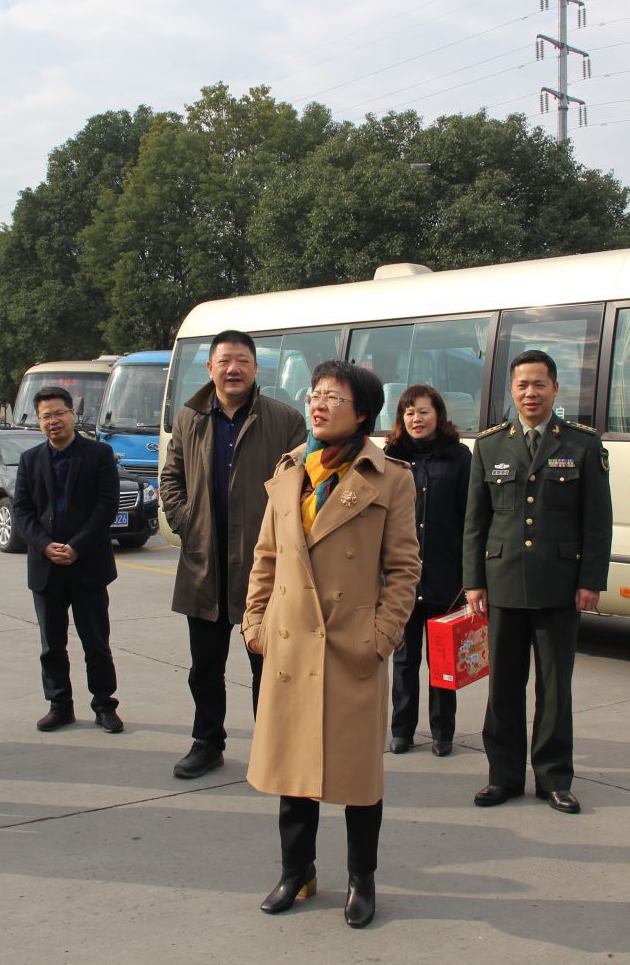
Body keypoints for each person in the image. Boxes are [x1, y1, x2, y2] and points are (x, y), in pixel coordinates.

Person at [243, 359, 420, 929]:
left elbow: (404, 569)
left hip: (352, 646)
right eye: (315, 394)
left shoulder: (391, 477)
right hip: (291, 644)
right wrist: (255, 622)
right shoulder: (291, 469)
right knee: (292, 772)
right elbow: (267, 555)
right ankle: (297, 872)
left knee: (358, 778)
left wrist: (382, 636)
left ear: (362, 412)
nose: (318, 404)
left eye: (333, 397)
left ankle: (362, 879)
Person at [463, 350, 611, 814]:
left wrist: (590, 580)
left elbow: (597, 521)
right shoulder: (490, 445)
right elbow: (475, 521)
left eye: (539, 384)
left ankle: (553, 778)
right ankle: (502, 777)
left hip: (559, 584)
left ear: (555, 389)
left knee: (555, 688)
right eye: (522, 385)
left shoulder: (582, 444)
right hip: (503, 581)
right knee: (503, 689)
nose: (531, 393)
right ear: (512, 390)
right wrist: (473, 582)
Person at [161, 329, 305, 779]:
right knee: (205, 667)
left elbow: (305, 487)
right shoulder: (189, 417)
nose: (233, 368)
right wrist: (187, 521)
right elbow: (171, 477)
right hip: (204, 564)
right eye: (224, 360)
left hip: (264, 567)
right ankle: (207, 743)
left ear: (256, 368)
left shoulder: (284, 419)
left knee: (269, 666)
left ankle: (272, 748)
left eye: (242, 360)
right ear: (210, 367)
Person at [13, 386, 124, 734]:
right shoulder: (30, 459)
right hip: (46, 568)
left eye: (59, 413)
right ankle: (59, 705)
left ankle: (104, 705)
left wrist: (76, 547)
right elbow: (22, 510)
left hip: (88, 565)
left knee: (96, 643)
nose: (53, 421)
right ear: (39, 421)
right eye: (46, 416)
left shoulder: (99, 454)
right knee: (51, 645)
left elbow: (106, 506)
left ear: (73, 414)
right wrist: (44, 545)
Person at [382, 384, 470, 757]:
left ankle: (442, 732)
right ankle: (402, 730)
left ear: (438, 415)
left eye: (424, 411)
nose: (416, 419)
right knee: (404, 660)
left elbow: (470, 519)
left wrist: (470, 577)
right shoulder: (391, 459)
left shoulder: (459, 458)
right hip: (402, 579)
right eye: (409, 412)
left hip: (446, 578)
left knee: (443, 660)